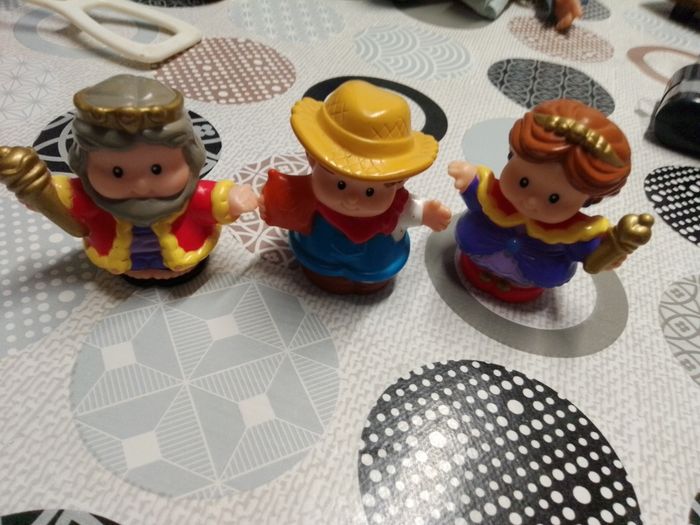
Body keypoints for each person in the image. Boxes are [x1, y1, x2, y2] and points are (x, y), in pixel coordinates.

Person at [0, 75, 257, 285]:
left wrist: (232, 198)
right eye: (117, 173)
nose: (140, 185)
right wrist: (42, 196)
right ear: (85, 166)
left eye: (157, 169)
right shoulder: (90, 197)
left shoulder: (187, 196)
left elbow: (210, 198)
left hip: (183, 256)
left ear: (189, 159)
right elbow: (61, 198)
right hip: (121, 260)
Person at [448, 99, 653, 302]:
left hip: (530, 278)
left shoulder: (576, 231)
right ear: (512, 155)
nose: (531, 202)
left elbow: (591, 258)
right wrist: (468, 178)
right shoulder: (494, 196)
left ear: (588, 200)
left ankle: (514, 284)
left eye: (554, 199)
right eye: (523, 181)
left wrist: (613, 249)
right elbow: (479, 193)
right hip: (475, 258)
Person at [260, 80, 451, 294]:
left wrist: (426, 213)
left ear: (399, 181)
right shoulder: (308, 193)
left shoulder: (397, 207)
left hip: (376, 262)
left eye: (370, 191)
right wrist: (271, 202)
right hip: (319, 254)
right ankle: (325, 275)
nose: (351, 200)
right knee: (323, 276)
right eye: (341, 184)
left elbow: (412, 210)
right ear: (312, 159)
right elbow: (287, 202)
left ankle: (368, 282)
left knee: (370, 283)